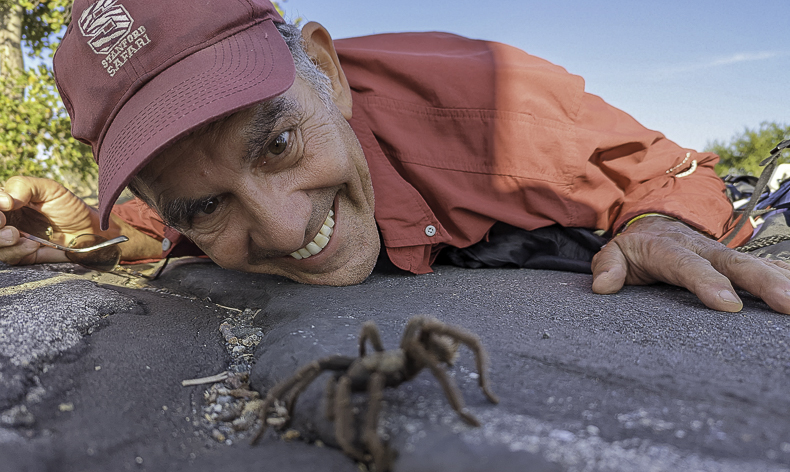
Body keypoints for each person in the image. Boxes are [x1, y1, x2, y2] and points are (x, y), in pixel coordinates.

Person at [1, 0, 789, 314]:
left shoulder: (498, 119)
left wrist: (654, 218)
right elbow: (159, 228)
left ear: (328, 74)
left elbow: (671, 170)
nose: (280, 230)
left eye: (278, 143)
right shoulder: (182, 207)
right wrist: (85, 242)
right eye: (208, 205)